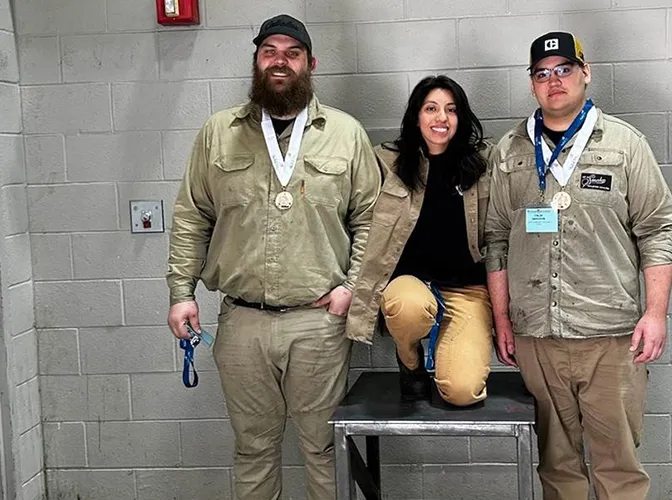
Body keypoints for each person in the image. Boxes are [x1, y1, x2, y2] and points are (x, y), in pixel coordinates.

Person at [165, 14, 381, 500]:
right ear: (257, 61)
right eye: (270, 51)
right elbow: (191, 217)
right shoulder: (218, 133)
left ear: (310, 64)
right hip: (242, 323)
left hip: (317, 324)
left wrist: (351, 288)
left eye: (292, 52)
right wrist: (181, 294)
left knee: (326, 448)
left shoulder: (345, 133)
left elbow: (371, 219)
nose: (279, 60)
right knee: (253, 449)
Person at [485, 32, 672, 499]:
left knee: (618, 467)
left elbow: (659, 229)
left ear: (585, 72)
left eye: (564, 69)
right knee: (557, 465)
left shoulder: (625, 144)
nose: (554, 81)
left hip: (609, 335)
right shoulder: (510, 151)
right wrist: (502, 318)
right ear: (532, 84)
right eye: (542, 73)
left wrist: (655, 313)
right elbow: (495, 239)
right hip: (537, 335)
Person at [347, 75, 494, 407]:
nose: (441, 118)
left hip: (467, 289)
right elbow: (350, 214)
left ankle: (447, 359)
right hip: (408, 284)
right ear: (416, 116)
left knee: (462, 392)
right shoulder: (385, 162)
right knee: (408, 308)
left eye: (451, 110)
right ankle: (410, 361)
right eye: (431, 108)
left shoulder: (485, 162)